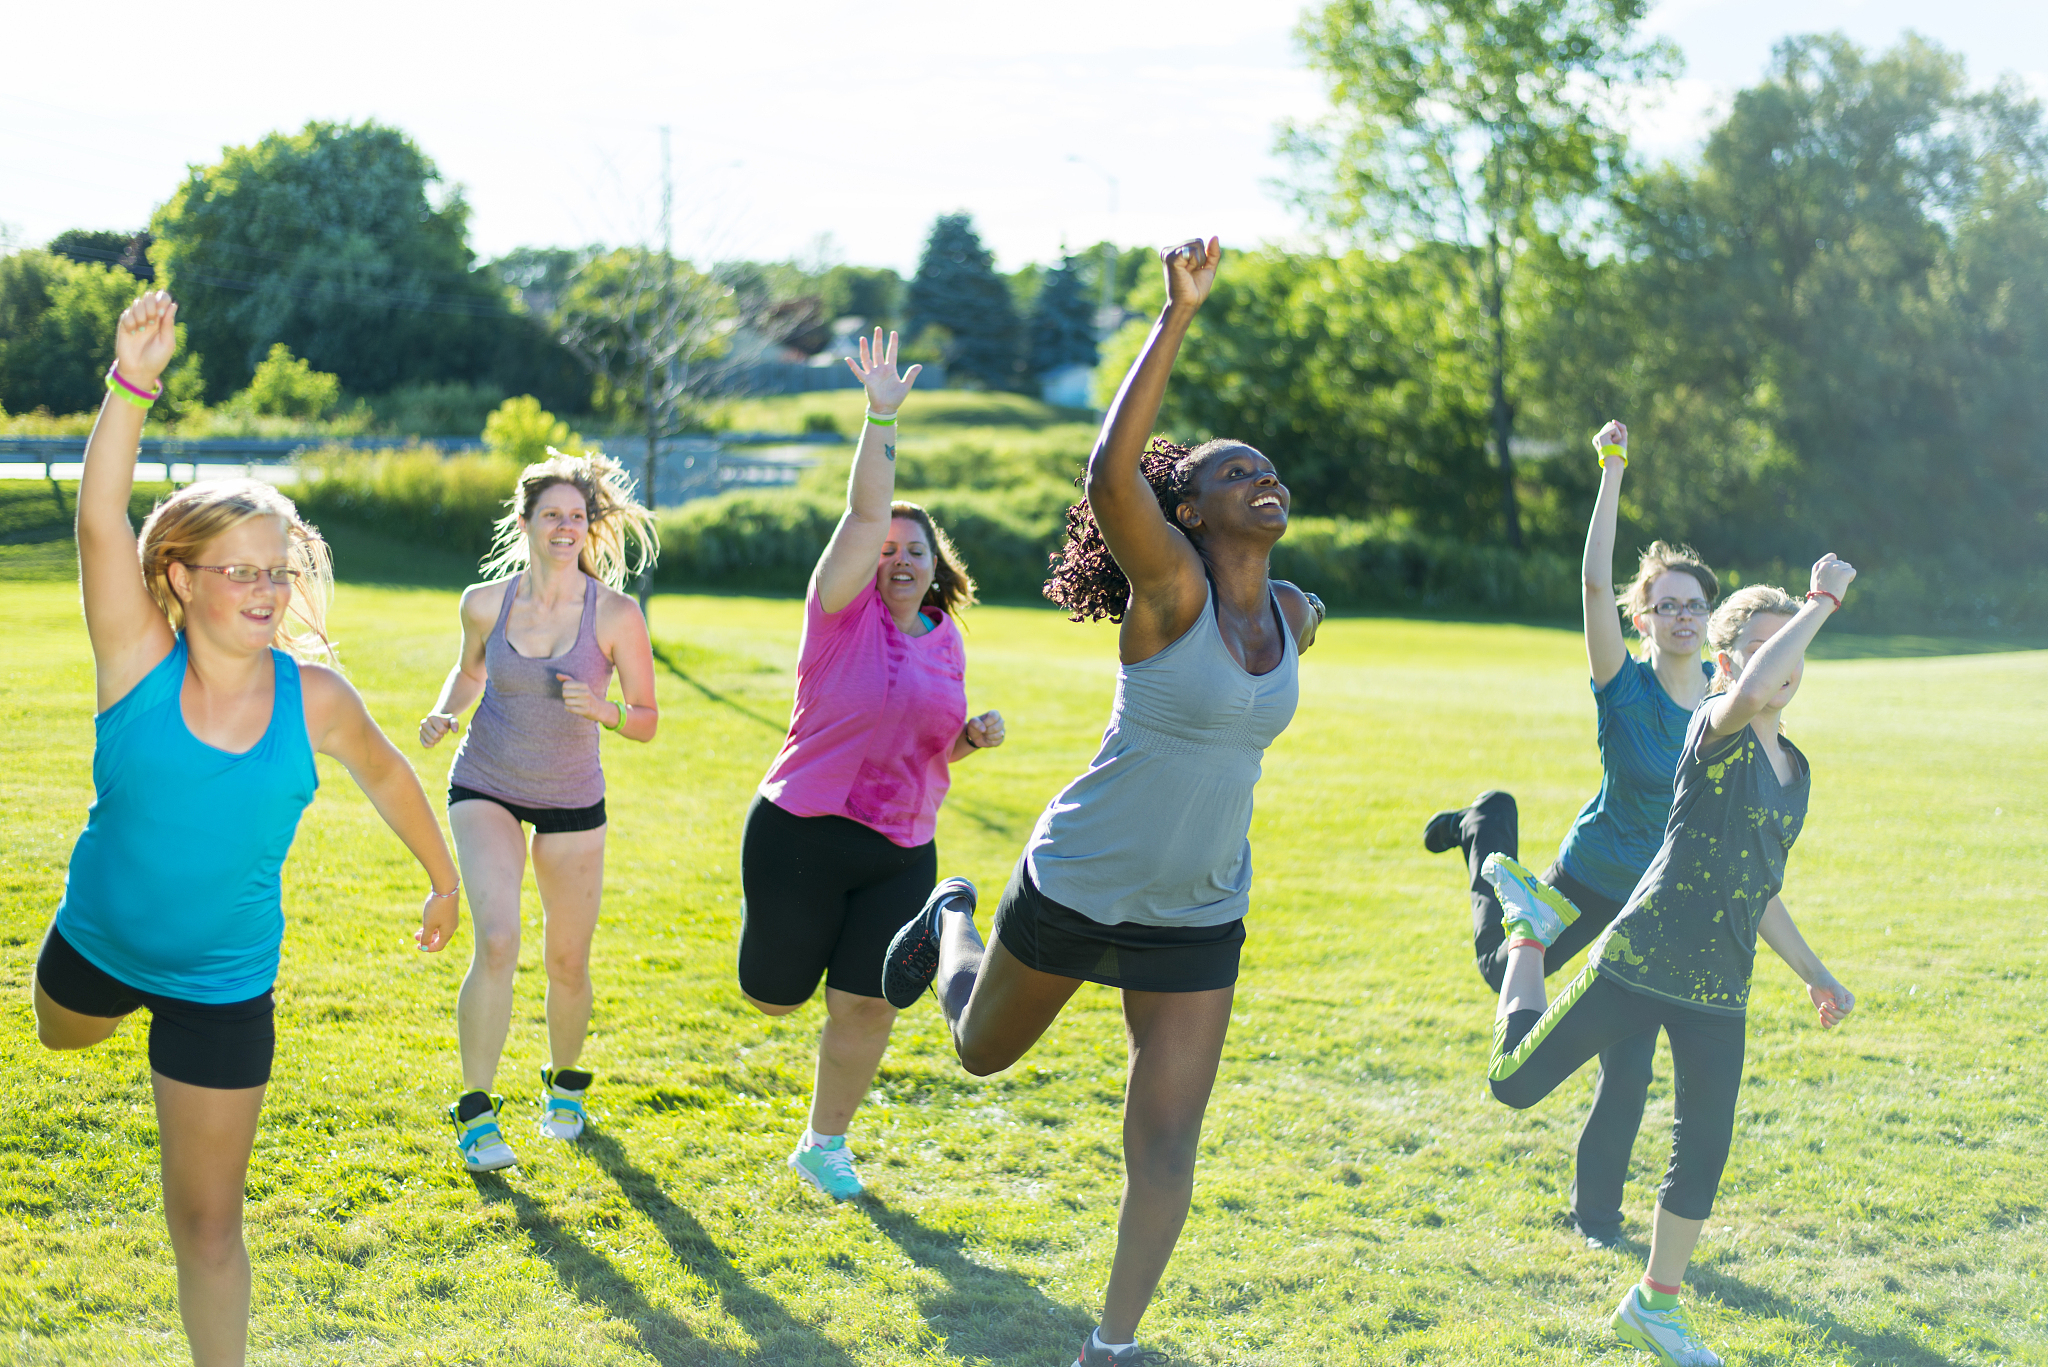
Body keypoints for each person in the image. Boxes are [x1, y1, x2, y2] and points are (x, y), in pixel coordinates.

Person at [879, 240, 1323, 1367]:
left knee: (1166, 1136)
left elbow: (1296, 622)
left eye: (1265, 466)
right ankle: (950, 925)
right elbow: (1105, 477)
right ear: (1183, 514)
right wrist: (1174, 317)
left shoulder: (1289, 612)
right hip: (1077, 876)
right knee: (980, 1053)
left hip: (1197, 904)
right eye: (1230, 472)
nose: (1258, 475)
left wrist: (1299, 605)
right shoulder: (1168, 591)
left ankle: (1111, 1343)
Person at [31, 290, 462, 1367]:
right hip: (95, 946)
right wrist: (132, 382)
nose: (268, 588)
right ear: (179, 578)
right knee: (59, 1033)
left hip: (222, 986)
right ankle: (98, 999)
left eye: (279, 569)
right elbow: (99, 519)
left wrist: (441, 875)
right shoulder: (136, 659)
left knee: (208, 1223)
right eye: (243, 571)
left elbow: (387, 770)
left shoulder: (313, 697)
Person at [1482, 564, 1858, 1367]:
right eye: (1760, 649)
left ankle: (1656, 1301)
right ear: (1727, 665)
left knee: (1705, 1147)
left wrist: (1814, 972)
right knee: (1514, 1080)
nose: (1781, 664)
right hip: (1640, 957)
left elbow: (1756, 888)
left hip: (1719, 985)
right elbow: (1753, 691)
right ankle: (1525, 931)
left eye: (1789, 649)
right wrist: (1819, 602)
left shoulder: (1796, 770)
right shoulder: (1713, 728)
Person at [1422, 420, 1719, 1247]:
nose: (1683, 617)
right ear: (1645, 617)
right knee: (1504, 973)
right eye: (1667, 606)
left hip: (1651, 909)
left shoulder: (1727, 702)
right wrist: (1612, 469)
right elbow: (1592, 583)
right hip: (1587, 877)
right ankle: (1490, 832)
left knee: (1628, 1064)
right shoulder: (1623, 688)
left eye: (1695, 605)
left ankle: (1597, 1220)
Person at [738, 328, 1006, 1200]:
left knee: (868, 1002)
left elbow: (931, 734)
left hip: (901, 845)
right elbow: (864, 515)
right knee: (775, 996)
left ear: (936, 568)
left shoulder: (947, 639)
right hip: (803, 830)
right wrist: (881, 417)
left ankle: (825, 1143)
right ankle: (786, 973)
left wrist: (970, 739)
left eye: (913, 550)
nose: (896, 557)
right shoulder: (839, 611)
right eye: (885, 548)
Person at [419, 450, 660, 1172]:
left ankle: (564, 1086)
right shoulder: (484, 601)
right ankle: (477, 1110)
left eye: (576, 516)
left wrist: (607, 711)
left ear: (589, 529)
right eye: (551, 514)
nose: (564, 526)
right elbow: (470, 672)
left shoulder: (616, 615)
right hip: (486, 780)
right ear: (524, 522)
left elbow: (647, 717)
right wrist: (444, 712)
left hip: (571, 798)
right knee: (496, 937)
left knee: (568, 959)